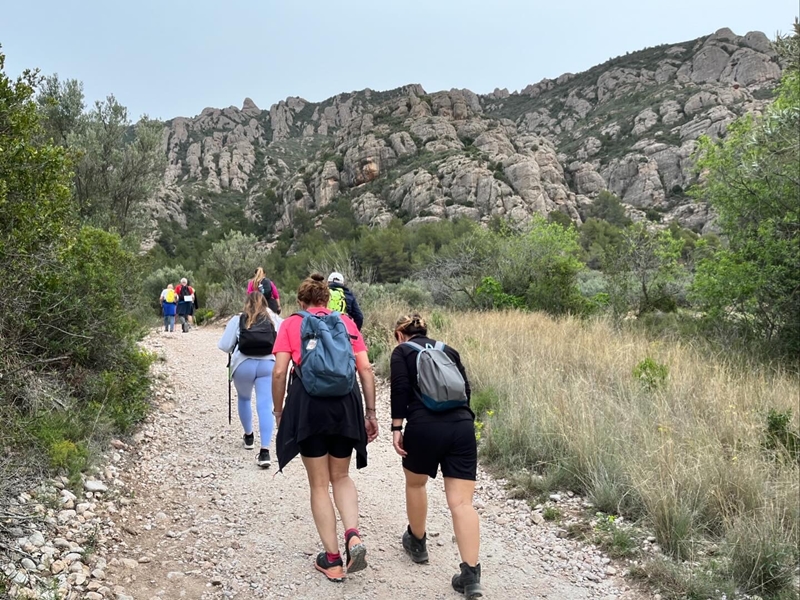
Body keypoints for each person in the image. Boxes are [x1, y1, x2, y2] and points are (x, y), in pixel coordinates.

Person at [272, 273, 378, 582]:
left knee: (319, 484)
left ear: (302, 301)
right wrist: (370, 412)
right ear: (326, 300)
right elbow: (366, 369)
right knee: (341, 476)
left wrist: (280, 412)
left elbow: (280, 372)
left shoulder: (292, 324)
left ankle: (332, 560)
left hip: (310, 406)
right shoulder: (345, 323)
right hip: (345, 405)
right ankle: (354, 536)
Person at [390, 313, 483, 599]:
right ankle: (471, 576)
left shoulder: (401, 352)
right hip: (461, 427)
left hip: (424, 427)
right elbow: (465, 390)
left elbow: (401, 390)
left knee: (416, 483)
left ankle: (417, 543)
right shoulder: (448, 350)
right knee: (461, 503)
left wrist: (397, 427)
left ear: (399, 334)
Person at [218, 292, 282, 468]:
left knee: (244, 398)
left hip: (243, 364)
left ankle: (248, 437)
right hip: (268, 364)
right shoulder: (274, 318)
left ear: (246, 303)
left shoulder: (238, 319)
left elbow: (224, 345)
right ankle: (265, 451)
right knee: (265, 405)